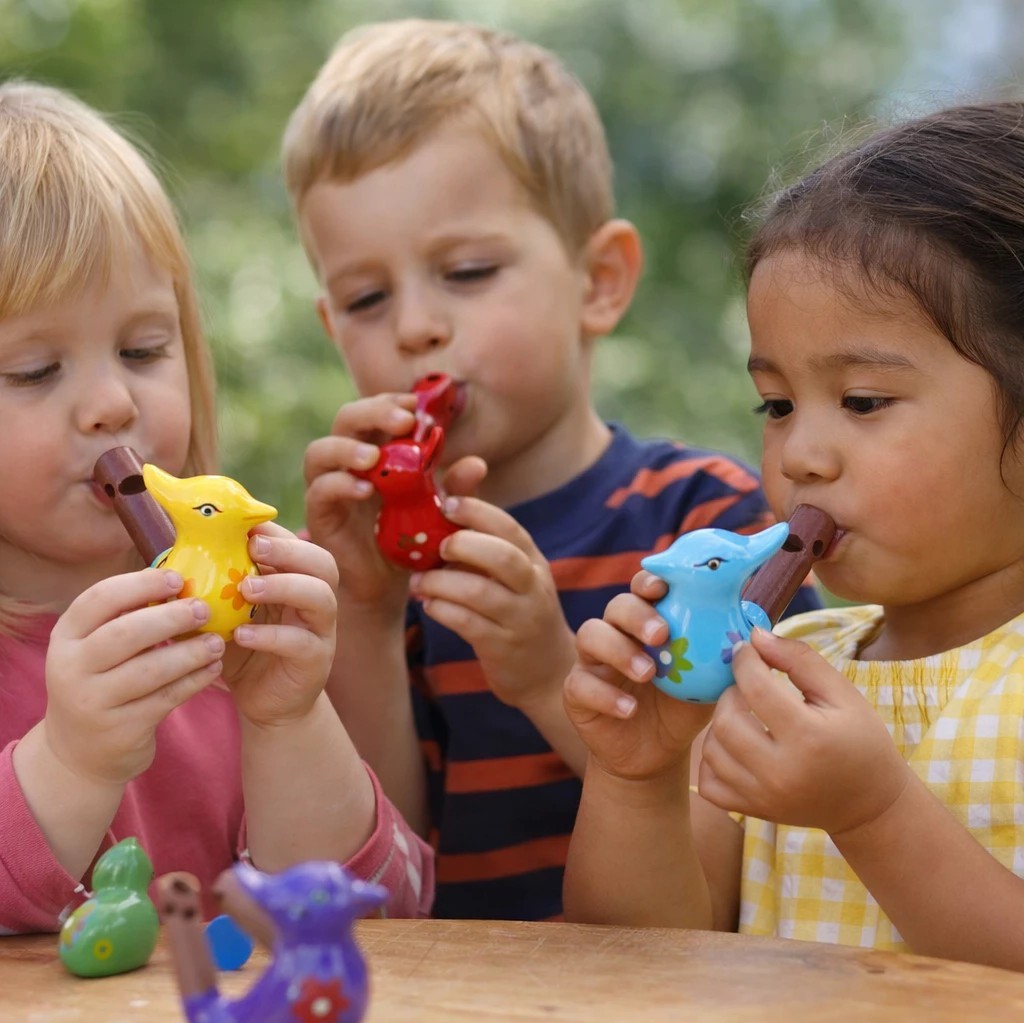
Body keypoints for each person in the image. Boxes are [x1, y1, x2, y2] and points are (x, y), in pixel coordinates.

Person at [282, 18, 820, 921]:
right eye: (367, 299)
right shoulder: (344, 568)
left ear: (599, 280)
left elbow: (744, 858)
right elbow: (373, 882)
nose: (414, 327)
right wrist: (366, 620)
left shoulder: (712, 528)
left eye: (467, 271)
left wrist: (546, 674)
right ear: (333, 328)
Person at [561, 100, 1024, 970]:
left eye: (863, 401)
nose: (801, 455)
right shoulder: (773, 670)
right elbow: (637, 958)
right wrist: (637, 776)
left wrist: (874, 814)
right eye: (776, 405)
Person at [0, 80, 433, 934]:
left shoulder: (250, 618)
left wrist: (288, 719)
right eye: (34, 371)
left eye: (143, 350)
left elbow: (384, 914)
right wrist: (72, 763)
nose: (112, 403)